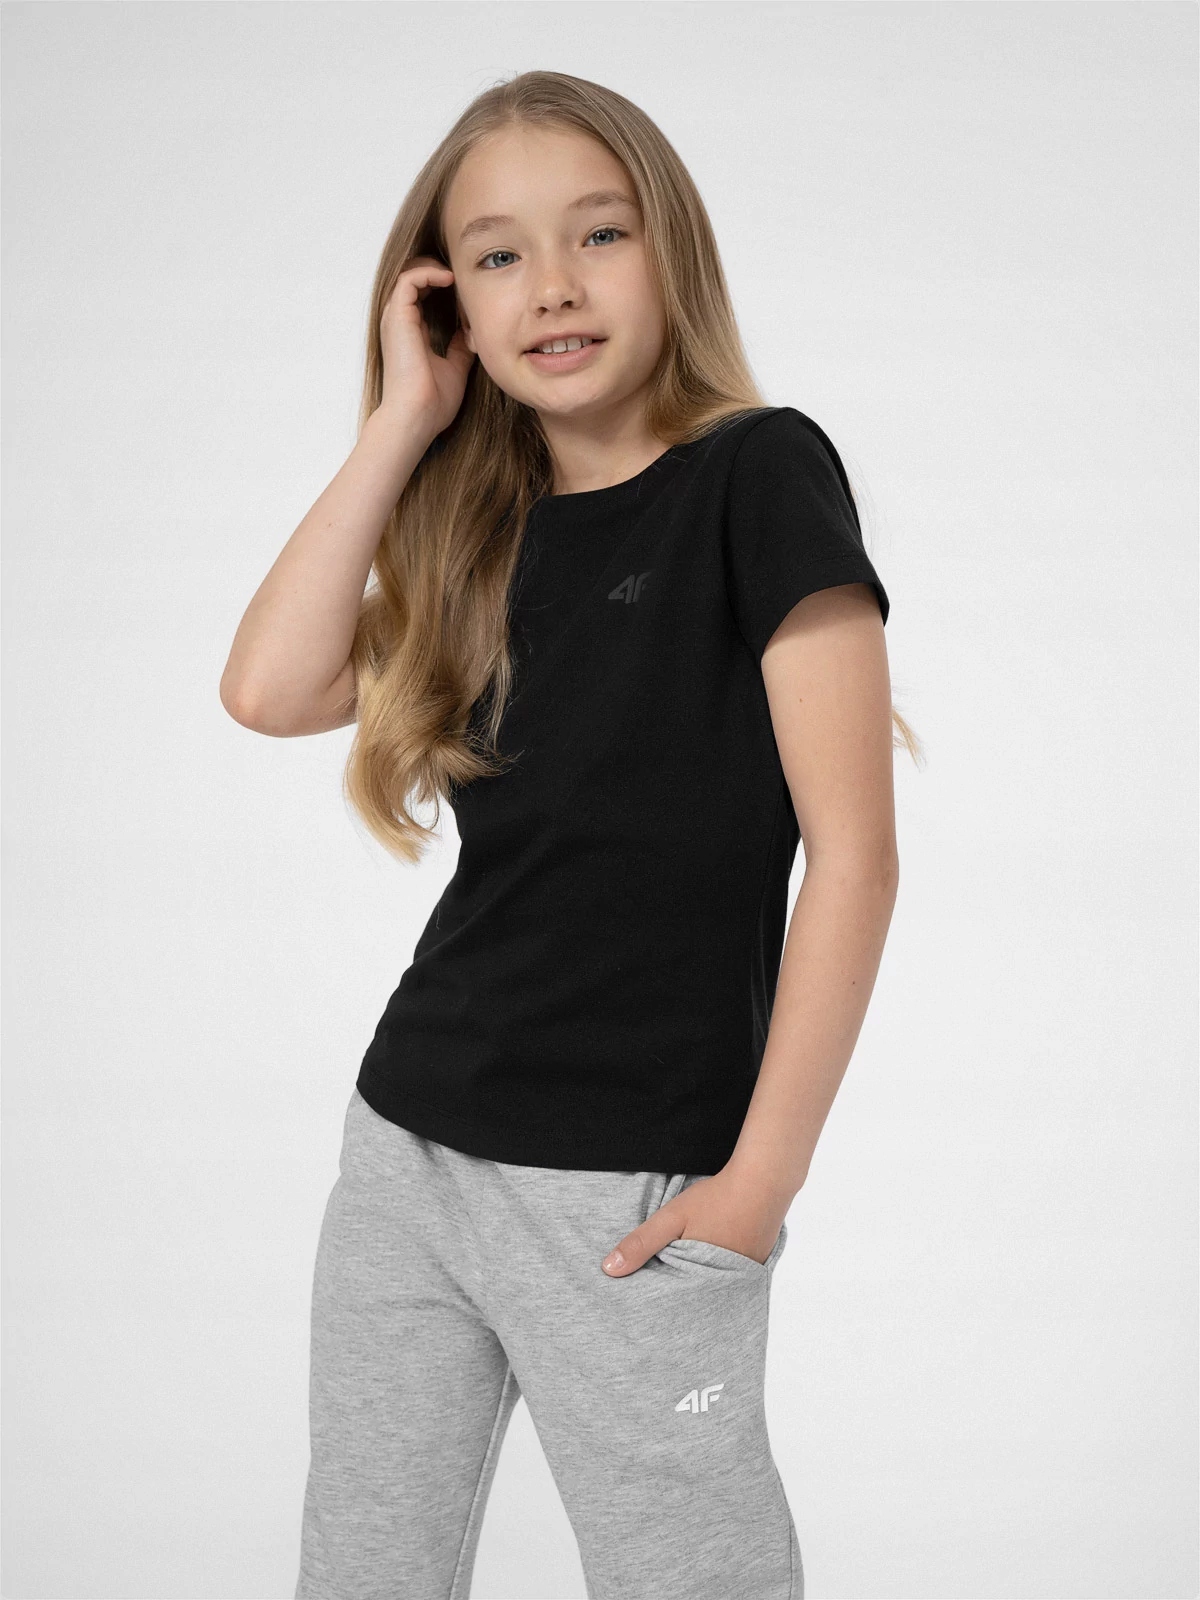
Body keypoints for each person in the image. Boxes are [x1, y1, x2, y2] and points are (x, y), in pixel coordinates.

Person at [221, 68, 913, 1600]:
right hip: (409, 1153)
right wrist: (403, 419)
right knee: (364, 1573)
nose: (551, 285)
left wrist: (758, 1189)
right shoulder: (480, 538)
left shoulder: (757, 474)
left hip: (634, 1194)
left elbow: (854, 861)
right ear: (448, 302)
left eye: (598, 233)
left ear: (672, 247)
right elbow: (268, 690)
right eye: (497, 254)